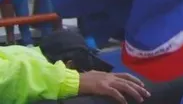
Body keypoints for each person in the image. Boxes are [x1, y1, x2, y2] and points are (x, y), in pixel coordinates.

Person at [0, 32, 150, 104]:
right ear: (69, 65)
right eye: (84, 71)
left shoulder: (21, 53)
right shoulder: (31, 62)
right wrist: (73, 81)